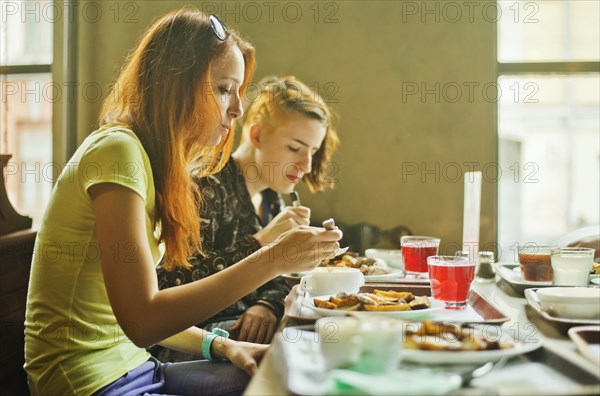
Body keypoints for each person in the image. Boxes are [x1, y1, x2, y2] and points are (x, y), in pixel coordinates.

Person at [24, 9, 342, 396]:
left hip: (138, 365)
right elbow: (142, 320)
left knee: (298, 374)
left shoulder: (155, 162)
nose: (237, 110)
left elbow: (146, 312)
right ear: (176, 84)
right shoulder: (118, 152)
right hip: (89, 380)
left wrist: (221, 344)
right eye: (225, 89)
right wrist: (272, 257)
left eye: (239, 91)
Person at [153, 76, 339, 361]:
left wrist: (266, 305)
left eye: (312, 151)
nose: (306, 165)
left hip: (244, 328)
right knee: (313, 347)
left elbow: (280, 278)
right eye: (295, 148)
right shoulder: (204, 185)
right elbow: (171, 285)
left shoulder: (272, 197)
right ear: (257, 135)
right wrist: (260, 241)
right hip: (191, 340)